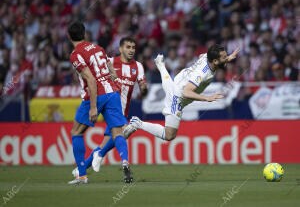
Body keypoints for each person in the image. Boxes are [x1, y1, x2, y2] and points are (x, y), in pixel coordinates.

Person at [123, 45, 240, 141]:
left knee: (170, 87)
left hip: (181, 78)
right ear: (215, 61)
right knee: (169, 135)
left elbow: (201, 56)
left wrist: (228, 58)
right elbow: (186, 92)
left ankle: (161, 65)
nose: (227, 58)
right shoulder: (202, 74)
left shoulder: (207, 57)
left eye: (226, 56)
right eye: (224, 57)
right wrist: (207, 98)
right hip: (178, 97)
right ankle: (137, 123)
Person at [67, 21, 132, 185]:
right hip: (112, 92)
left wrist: (94, 107)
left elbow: (90, 80)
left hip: (97, 95)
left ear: (69, 37)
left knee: (76, 132)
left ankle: (82, 175)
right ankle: (125, 162)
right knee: (117, 132)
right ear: (85, 34)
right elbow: (109, 64)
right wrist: (113, 75)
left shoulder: (75, 54)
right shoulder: (97, 48)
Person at [72, 37, 148, 177]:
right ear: (120, 49)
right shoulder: (110, 62)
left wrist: (143, 88)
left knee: (107, 143)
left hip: (122, 111)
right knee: (121, 134)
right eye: (128, 47)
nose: (131, 50)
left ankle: (82, 169)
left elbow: (143, 84)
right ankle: (119, 162)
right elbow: (93, 77)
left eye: (133, 47)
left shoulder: (138, 66)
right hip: (109, 104)